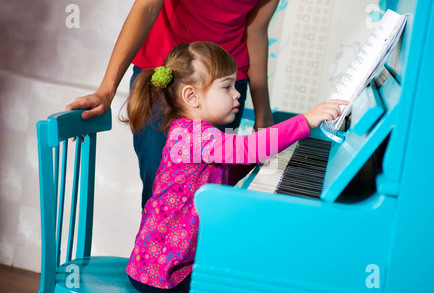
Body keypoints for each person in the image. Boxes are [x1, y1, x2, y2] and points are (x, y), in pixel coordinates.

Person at [121, 41, 345, 293]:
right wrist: (304, 122)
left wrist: (272, 155)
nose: (237, 93)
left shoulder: (201, 135)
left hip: (173, 265)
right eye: (226, 87)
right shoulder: (191, 135)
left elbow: (229, 168)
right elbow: (246, 150)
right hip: (164, 274)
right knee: (243, 285)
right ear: (191, 96)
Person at [66, 0, 281, 209]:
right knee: (160, 189)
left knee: (211, 189)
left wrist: (263, 113)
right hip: (169, 73)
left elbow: (256, 31)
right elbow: (147, 6)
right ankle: (158, 246)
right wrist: (106, 91)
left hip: (223, 83)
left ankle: (195, 247)